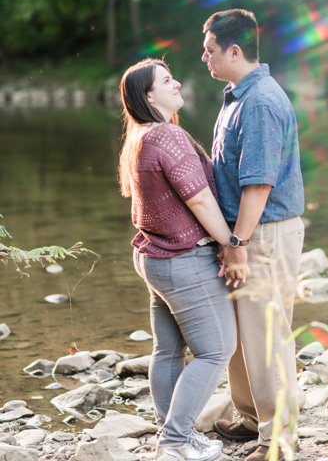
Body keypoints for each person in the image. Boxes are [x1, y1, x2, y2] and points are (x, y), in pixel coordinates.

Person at [119, 59, 235, 461]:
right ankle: (175, 440)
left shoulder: (140, 136)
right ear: (149, 96)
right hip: (183, 260)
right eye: (167, 80)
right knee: (216, 350)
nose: (178, 82)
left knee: (167, 351)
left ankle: (172, 436)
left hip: (155, 258)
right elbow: (199, 198)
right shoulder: (167, 136)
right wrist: (231, 241)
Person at [201, 9, 305, 461]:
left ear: (234, 51)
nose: (204, 58)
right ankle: (250, 418)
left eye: (209, 50)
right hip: (245, 232)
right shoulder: (235, 96)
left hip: (263, 232)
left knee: (265, 335)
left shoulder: (260, 101)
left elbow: (258, 184)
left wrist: (237, 245)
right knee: (241, 334)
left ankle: (279, 438)